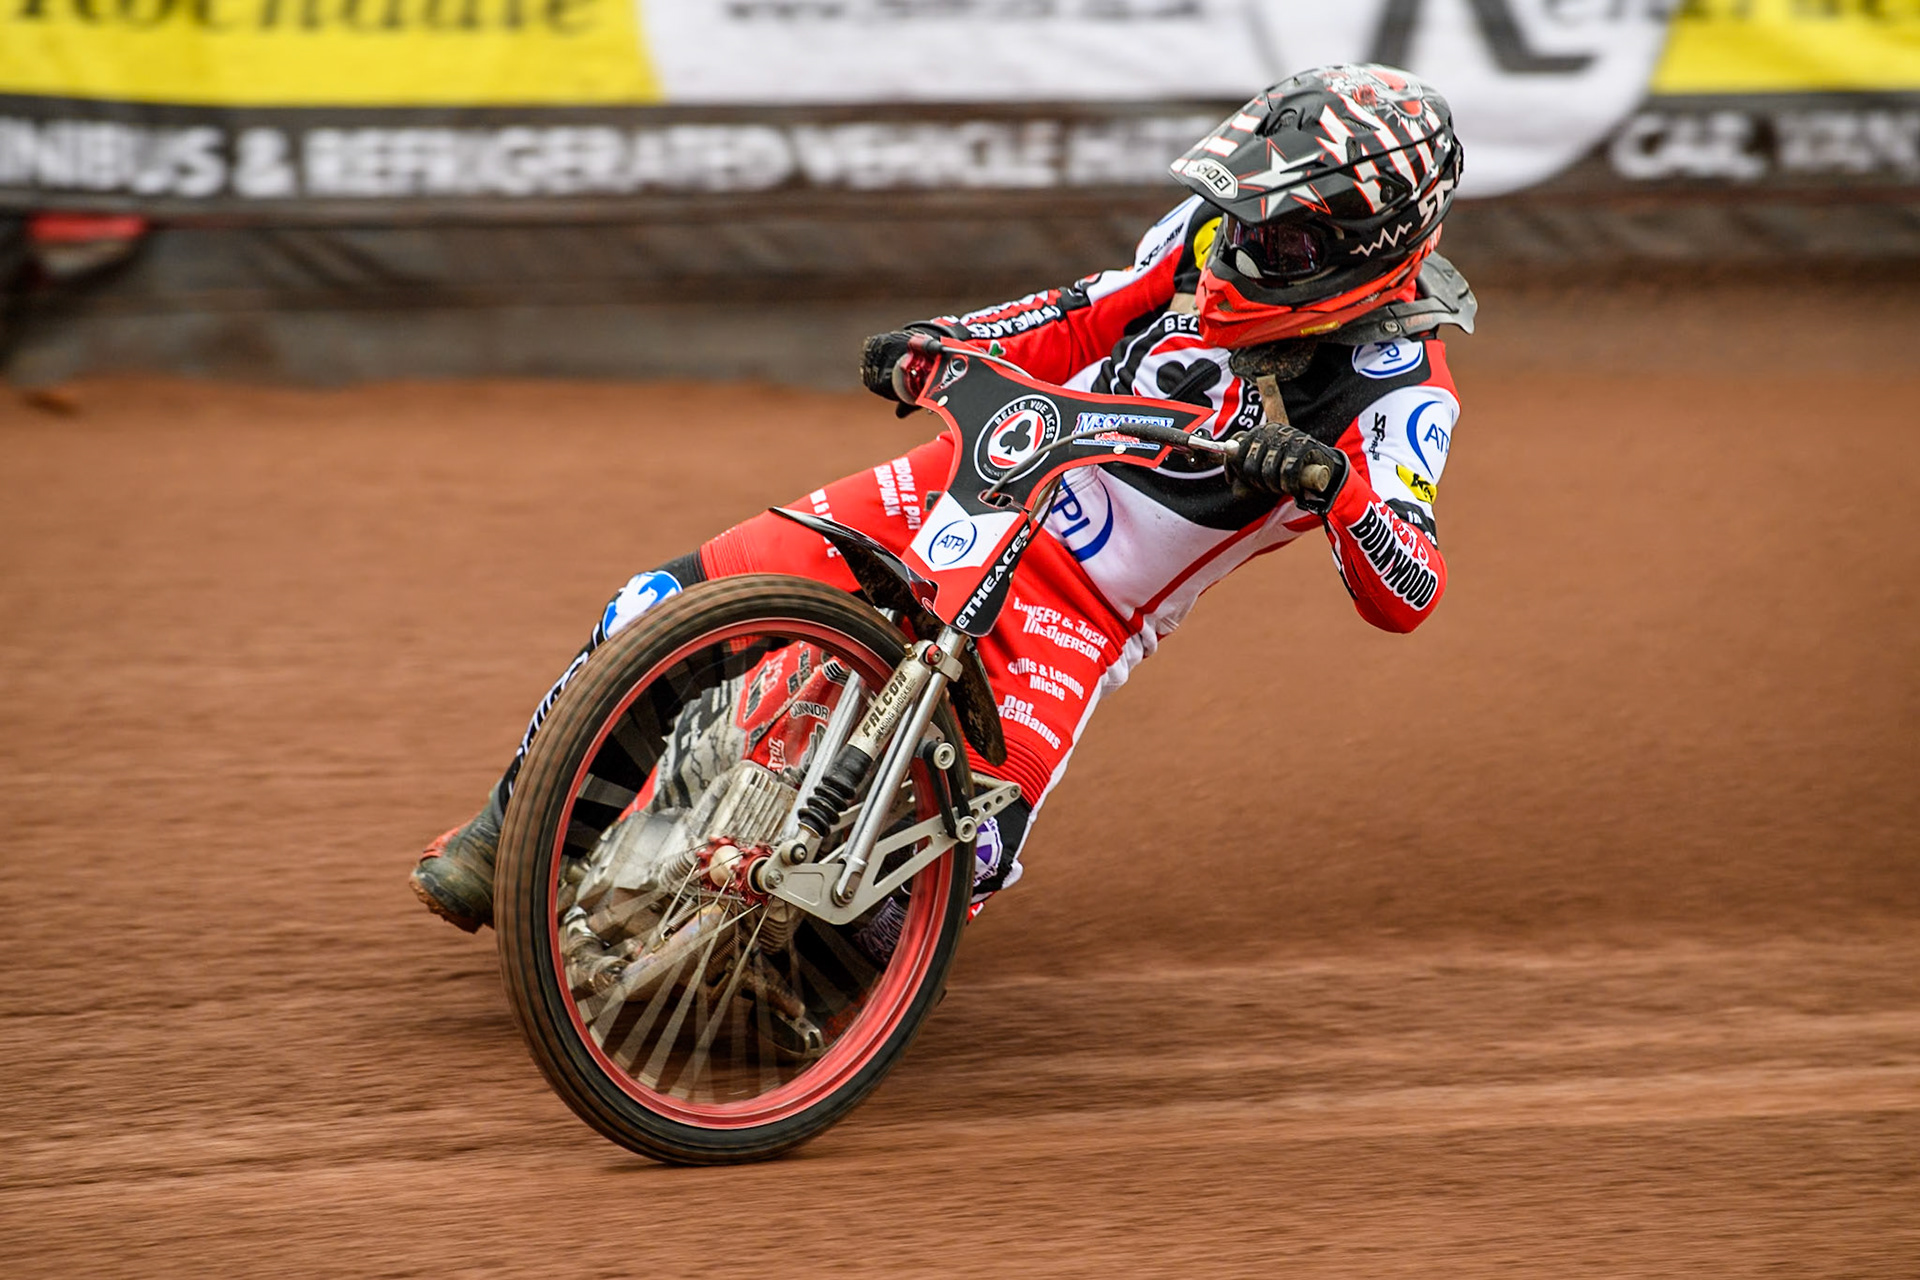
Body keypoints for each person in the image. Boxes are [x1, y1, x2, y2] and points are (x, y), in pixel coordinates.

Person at [410, 63, 1474, 935]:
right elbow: (1078, 315)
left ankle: (800, 1003)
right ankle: (514, 831)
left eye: (1279, 234)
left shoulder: (1401, 388)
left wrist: (1337, 488)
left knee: (964, 854)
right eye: (1242, 212)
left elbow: (1409, 588)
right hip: (972, 478)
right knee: (651, 607)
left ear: (1364, 246)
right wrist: (948, 339)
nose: (1241, 241)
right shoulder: (1208, 239)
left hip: (1082, 602)